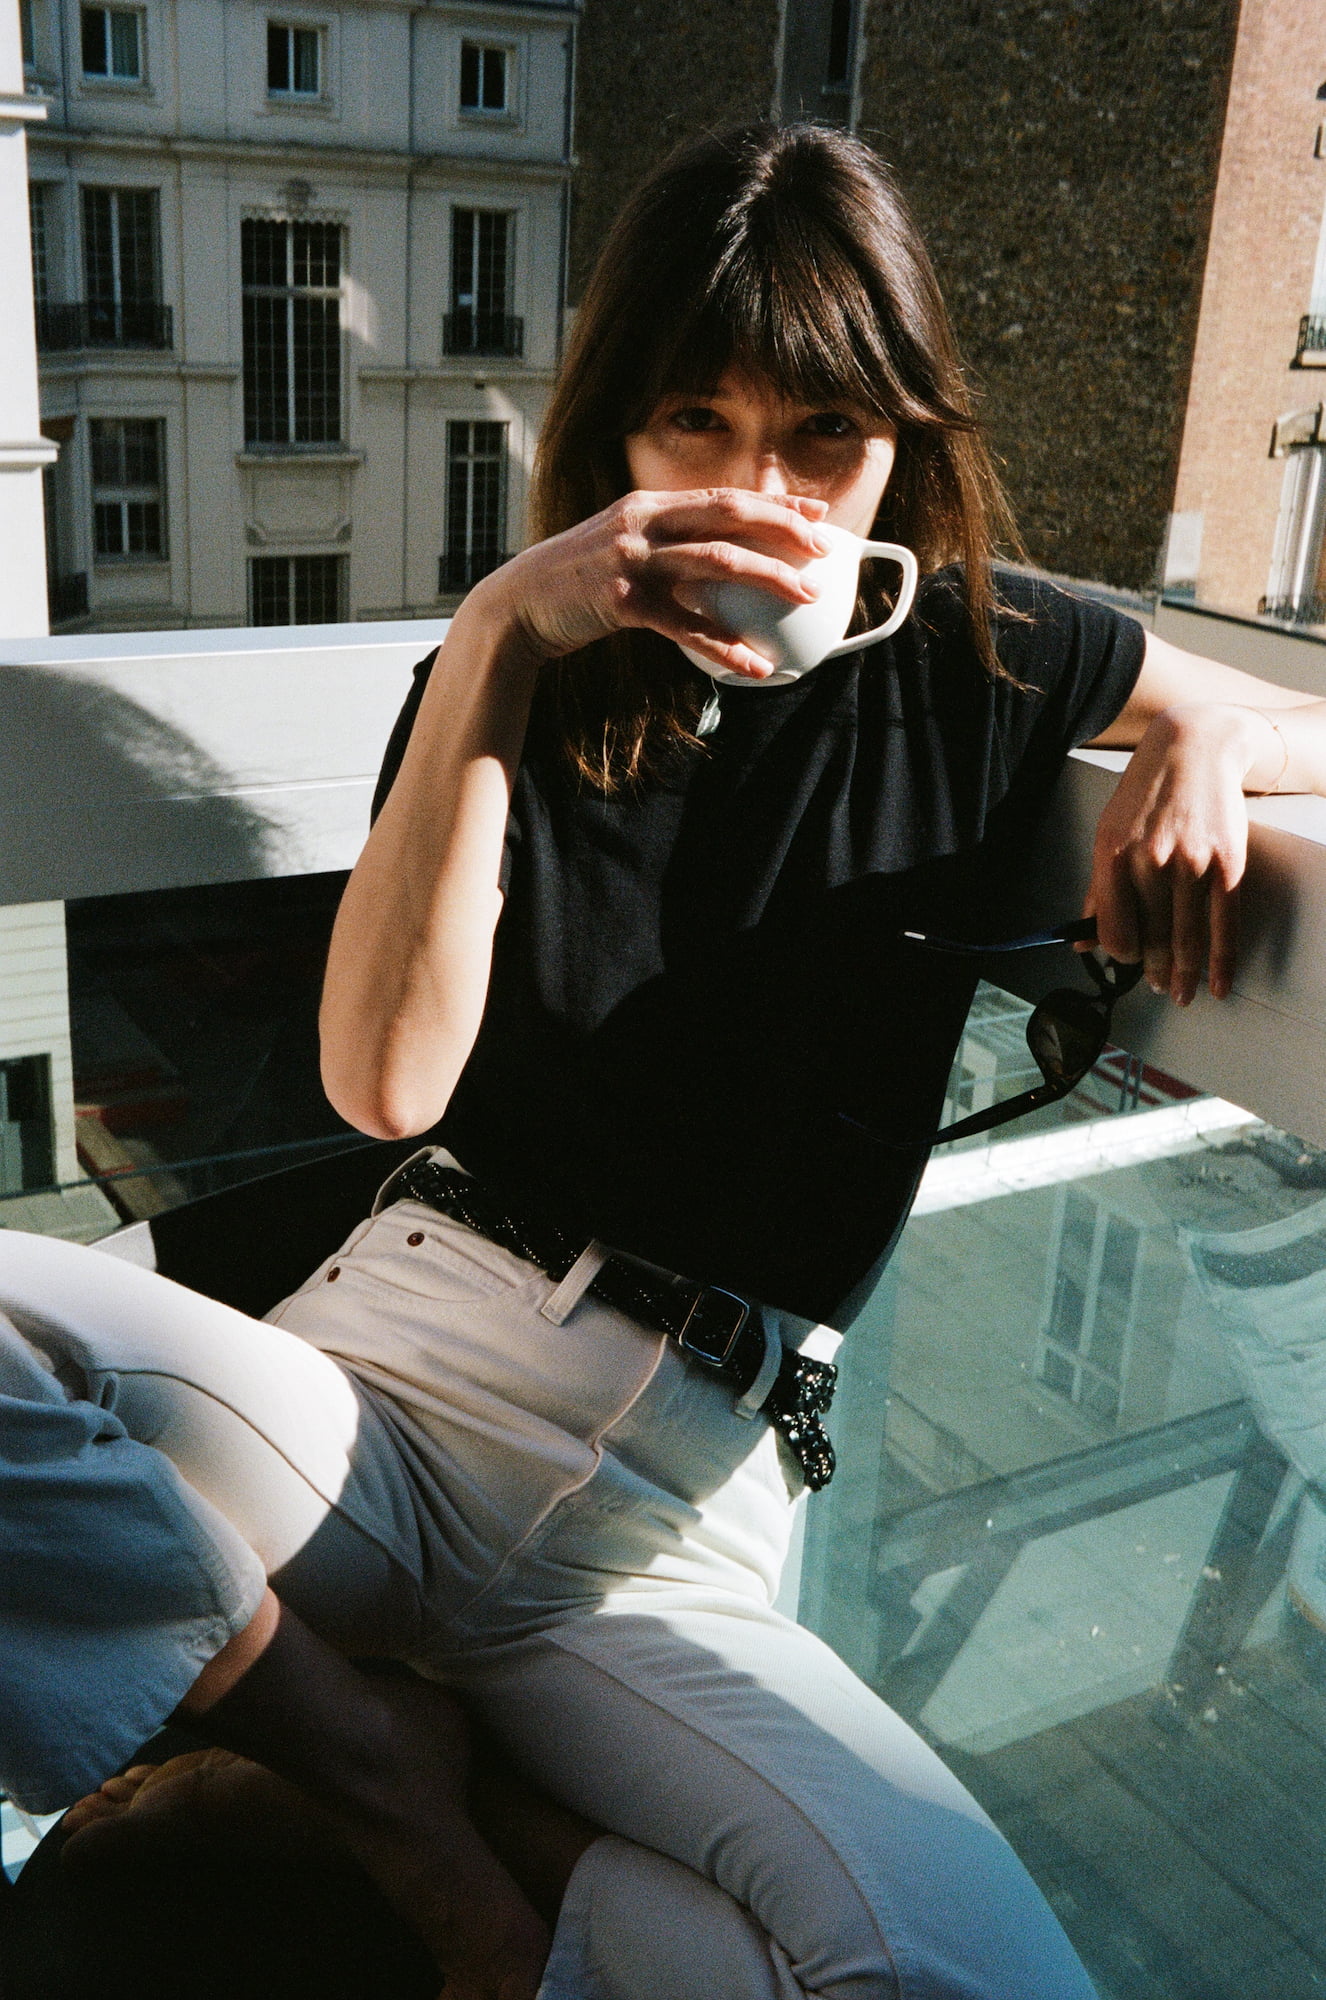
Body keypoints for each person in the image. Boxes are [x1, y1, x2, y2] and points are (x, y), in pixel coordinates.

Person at [6, 121, 1326, 2000]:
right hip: (388, 1397)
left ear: (895, 451)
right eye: (693, 424)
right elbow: (385, 1088)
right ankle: (381, 1779)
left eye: (820, 441)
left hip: (682, 1516)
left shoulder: (986, 652)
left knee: (975, 1978)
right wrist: (490, 641)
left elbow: (1280, 709)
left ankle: (405, 1804)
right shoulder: (507, 689)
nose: (756, 493)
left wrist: (1200, 744)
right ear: (614, 432)